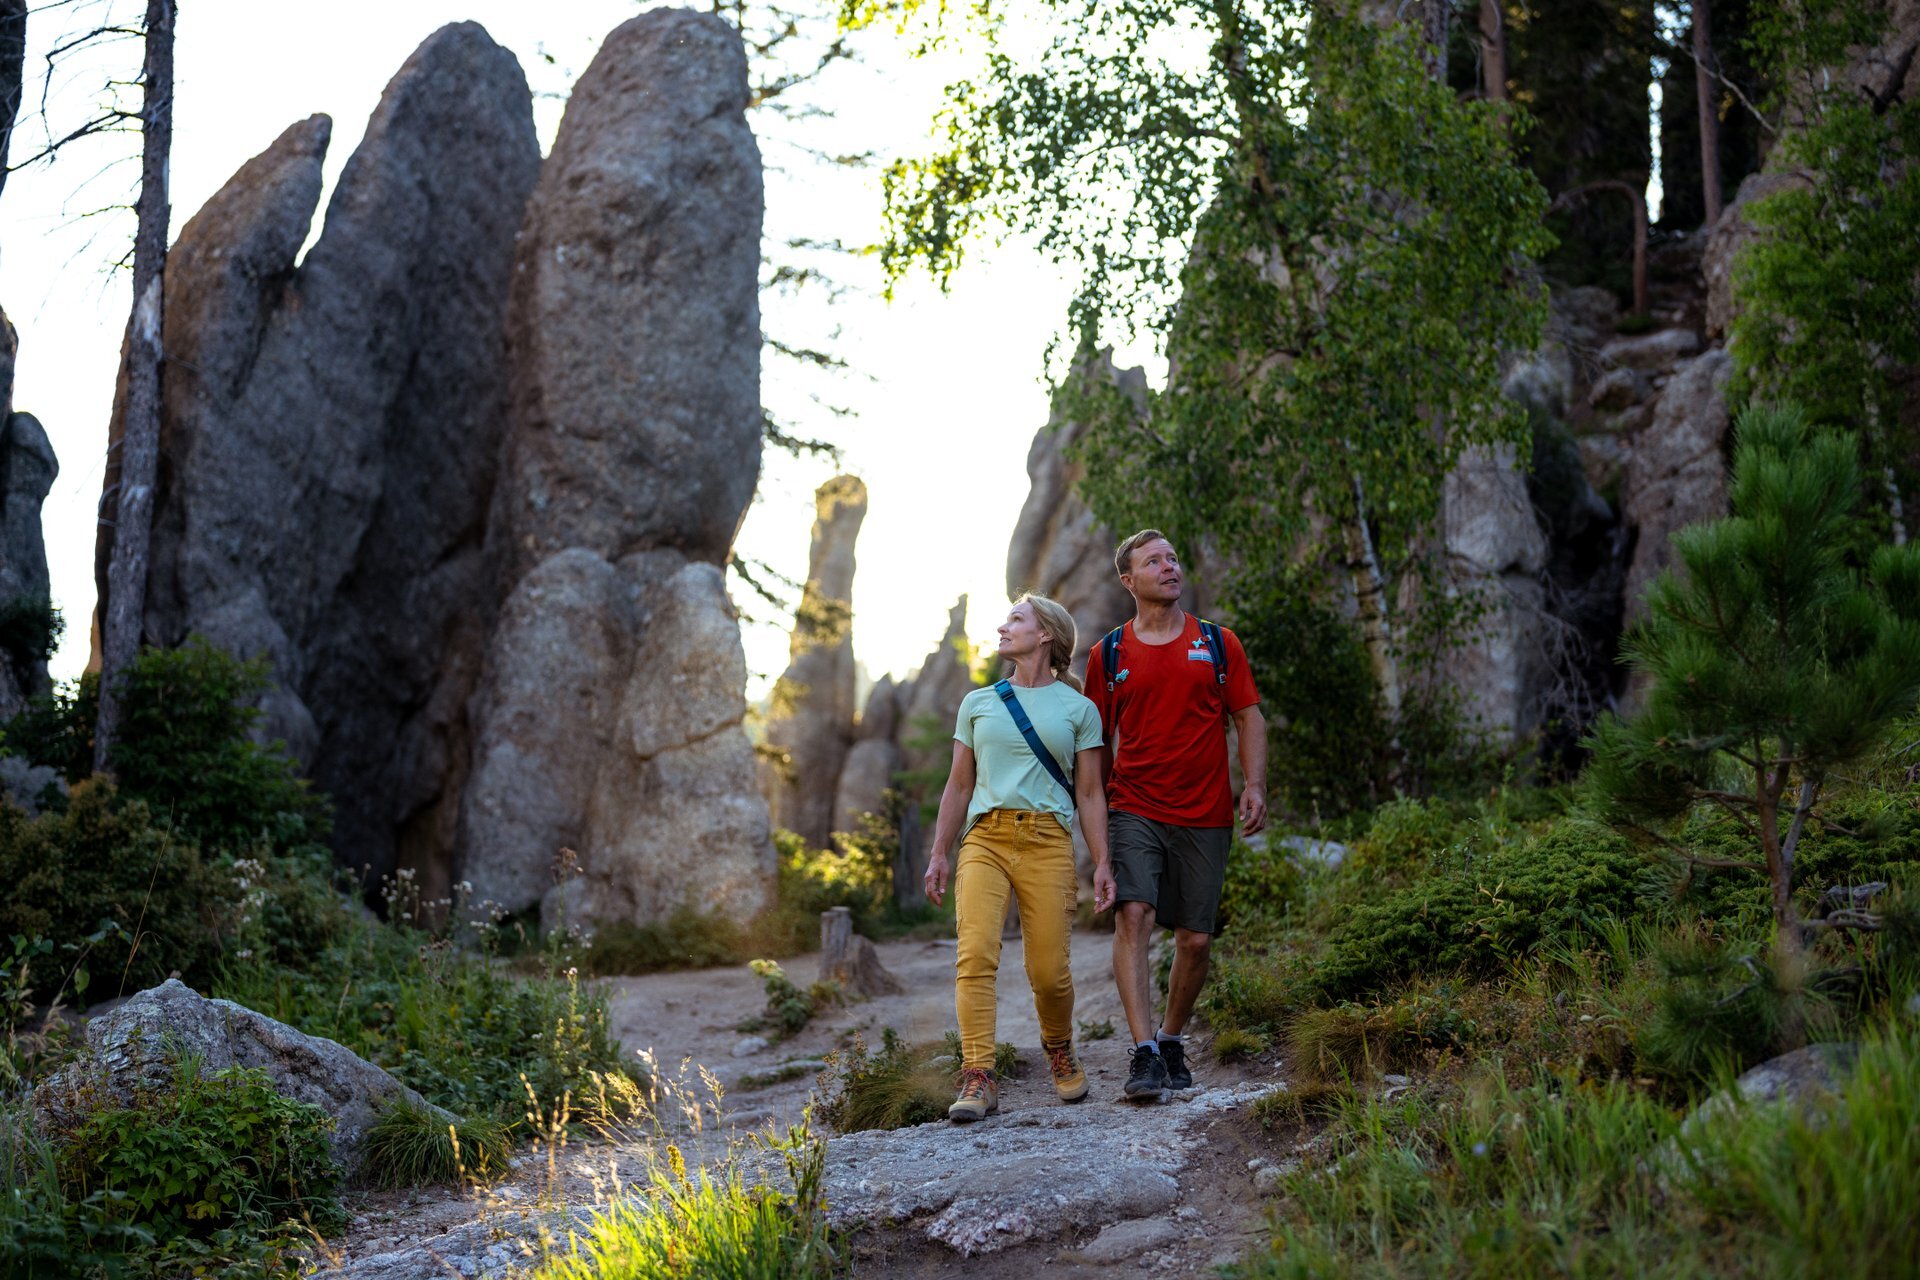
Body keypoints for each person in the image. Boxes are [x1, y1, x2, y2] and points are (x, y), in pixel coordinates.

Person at [1086, 529, 1267, 1099]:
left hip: (1206, 811)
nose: (1169, 567)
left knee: (1195, 940)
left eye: (1172, 558)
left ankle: (1170, 1038)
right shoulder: (1108, 654)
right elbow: (1094, 744)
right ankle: (1142, 1054)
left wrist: (1254, 784)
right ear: (1129, 580)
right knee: (1133, 913)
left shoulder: (1218, 643)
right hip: (1134, 804)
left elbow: (1248, 717)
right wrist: (1096, 829)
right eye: (1153, 561)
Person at [923, 594, 1116, 1122]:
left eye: (1016, 619)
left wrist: (1101, 861)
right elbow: (959, 786)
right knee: (976, 955)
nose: (1003, 627)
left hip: (1048, 840)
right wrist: (940, 851)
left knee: (1050, 972)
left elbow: (1092, 794)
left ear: (1046, 635)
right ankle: (978, 1074)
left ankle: (1059, 1047)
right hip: (985, 838)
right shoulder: (978, 702)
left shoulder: (1079, 710)